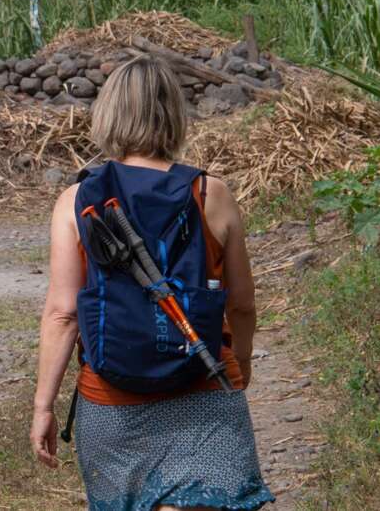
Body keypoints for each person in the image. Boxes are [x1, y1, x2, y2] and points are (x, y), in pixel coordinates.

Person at [30, 55, 275, 511]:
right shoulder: (210, 193)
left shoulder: (77, 201)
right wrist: (238, 365)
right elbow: (240, 305)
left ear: (108, 114)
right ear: (173, 114)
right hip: (203, 388)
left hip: (111, 401)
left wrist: (44, 407)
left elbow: (62, 315)